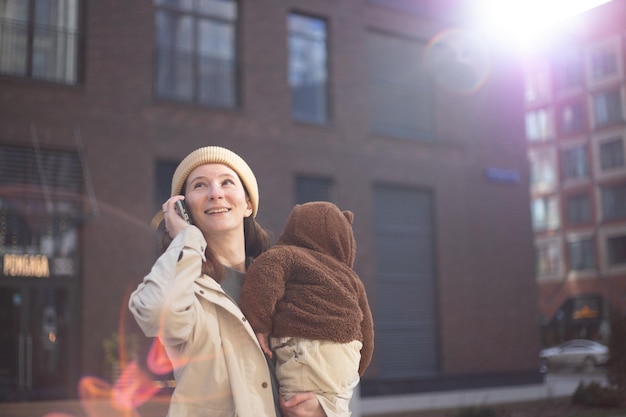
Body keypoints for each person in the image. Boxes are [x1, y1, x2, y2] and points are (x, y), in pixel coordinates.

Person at [128, 146, 327, 417]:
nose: (215, 193)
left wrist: (325, 407)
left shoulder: (283, 284)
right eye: (200, 185)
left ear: (247, 204)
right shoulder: (183, 285)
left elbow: (331, 361)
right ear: (184, 208)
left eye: (226, 182)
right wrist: (185, 238)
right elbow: (155, 314)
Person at [240, 201, 375, 417]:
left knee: (296, 407)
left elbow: (263, 277)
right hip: (348, 354)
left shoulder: (287, 253)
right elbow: (366, 328)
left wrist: (259, 324)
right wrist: (354, 370)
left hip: (307, 348)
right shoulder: (351, 277)